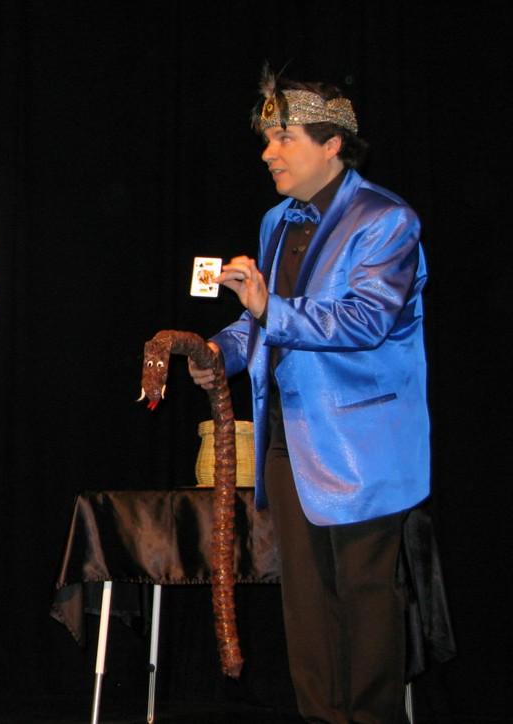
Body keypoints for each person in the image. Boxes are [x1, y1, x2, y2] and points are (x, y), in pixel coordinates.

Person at [188, 68, 428, 723]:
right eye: (267, 138)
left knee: (366, 599)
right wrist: (217, 354)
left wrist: (271, 308)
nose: (269, 152)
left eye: (284, 136)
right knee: (308, 606)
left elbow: (365, 319)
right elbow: (256, 321)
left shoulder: (386, 221)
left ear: (333, 144)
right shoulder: (275, 223)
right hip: (289, 443)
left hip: (362, 449)